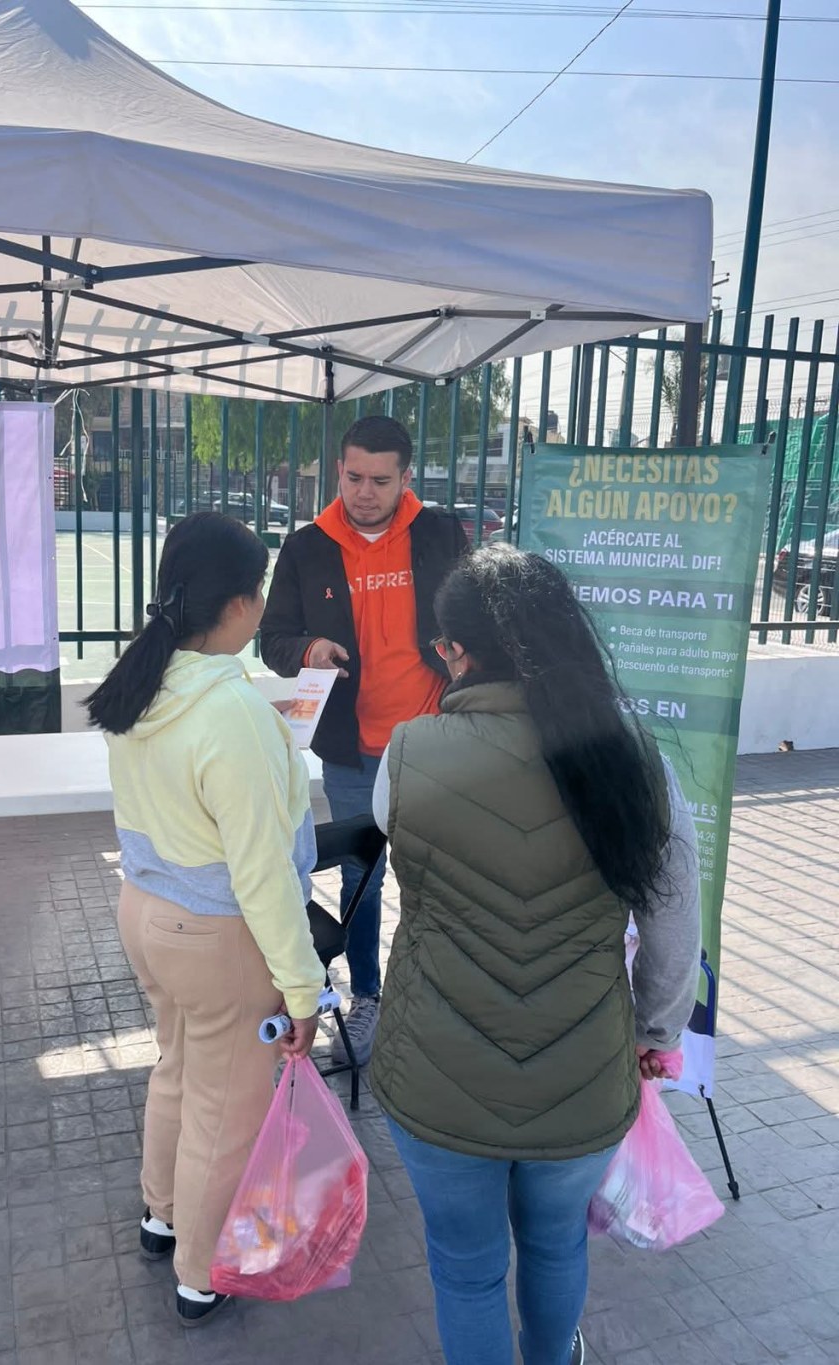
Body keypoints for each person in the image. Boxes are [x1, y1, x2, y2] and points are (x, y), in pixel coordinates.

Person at [368, 545, 702, 1365]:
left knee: (466, 1269)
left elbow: (394, 835)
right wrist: (657, 1032)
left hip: (435, 1074)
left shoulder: (407, 756)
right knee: (557, 1247)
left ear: (453, 650)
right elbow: (672, 926)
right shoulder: (636, 764)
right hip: (582, 1075)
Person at [85, 512, 325, 1328]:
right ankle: (202, 1267)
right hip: (218, 936)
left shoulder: (143, 683)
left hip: (147, 911)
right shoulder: (231, 711)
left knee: (180, 1069)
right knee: (230, 1107)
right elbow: (262, 874)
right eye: (258, 593)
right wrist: (304, 988)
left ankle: (162, 1212)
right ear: (240, 604)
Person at [260, 414, 467, 1065]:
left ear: (407, 478)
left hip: (436, 743)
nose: (365, 491)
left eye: (381, 479)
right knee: (363, 881)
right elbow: (273, 640)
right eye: (353, 477)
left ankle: (439, 996)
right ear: (339, 471)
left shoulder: (439, 533)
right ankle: (369, 996)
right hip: (352, 749)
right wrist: (309, 648)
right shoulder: (306, 546)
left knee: (443, 876)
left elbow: (476, 616)